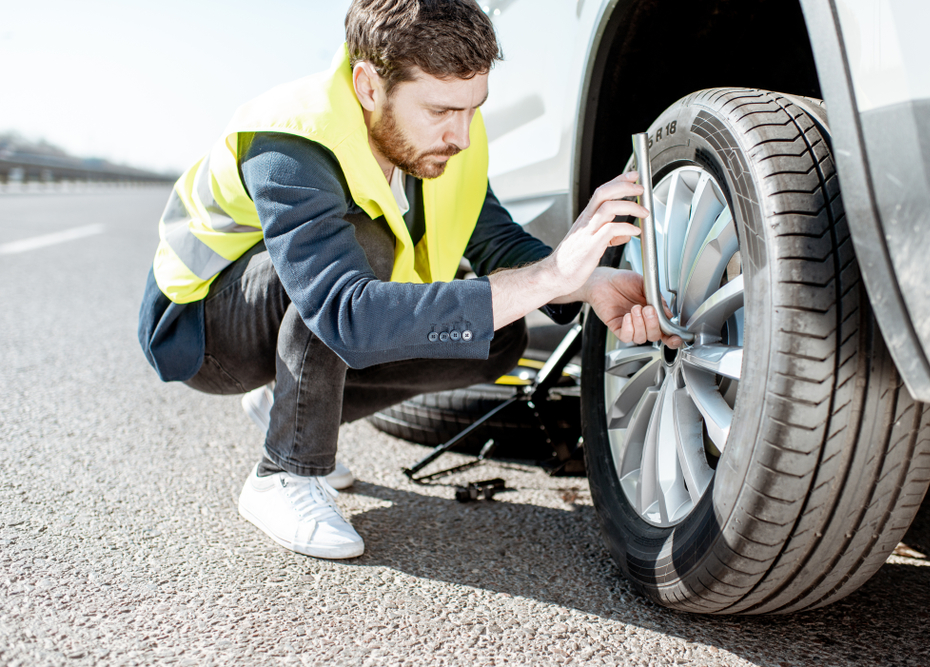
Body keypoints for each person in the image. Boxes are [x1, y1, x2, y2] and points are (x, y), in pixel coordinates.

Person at [138, 0, 682, 560]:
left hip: (307, 307)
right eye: (442, 110)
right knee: (365, 248)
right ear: (369, 86)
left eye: (473, 109)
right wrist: (550, 272)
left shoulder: (448, 144)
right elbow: (345, 314)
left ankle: (288, 398)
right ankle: (284, 474)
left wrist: (585, 284)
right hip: (203, 330)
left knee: (501, 332)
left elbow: (498, 244)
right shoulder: (291, 139)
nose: (462, 136)